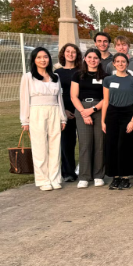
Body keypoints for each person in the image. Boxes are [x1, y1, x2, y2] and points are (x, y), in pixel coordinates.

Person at [19, 47, 67, 191]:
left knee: (55, 146)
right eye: (39, 57)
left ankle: (55, 178)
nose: (43, 60)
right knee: (40, 147)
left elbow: (59, 99)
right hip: (36, 112)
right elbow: (24, 99)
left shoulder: (55, 77)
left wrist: (62, 118)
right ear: (34, 60)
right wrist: (25, 120)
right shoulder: (28, 77)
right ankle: (43, 179)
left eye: (45, 57)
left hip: (54, 111)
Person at [101, 53, 133, 190]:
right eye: (117, 61)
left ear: (127, 64)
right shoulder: (107, 80)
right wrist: (103, 121)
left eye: (123, 61)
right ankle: (115, 177)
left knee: (124, 145)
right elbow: (105, 101)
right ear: (113, 63)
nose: (120, 64)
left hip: (127, 114)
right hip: (112, 114)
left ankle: (125, 177)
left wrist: (132, 121)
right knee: (111, 145)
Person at [70, 48, 107, 188]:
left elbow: (106, 98)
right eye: (90, 57)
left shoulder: (105, 76)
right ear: (85, 58)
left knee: (99, 144)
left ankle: (98, 175)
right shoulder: (77, 75)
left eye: (96, 58)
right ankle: (84, 176)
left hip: (99, 108)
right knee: (85, 144)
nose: (93, 60)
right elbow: (74, 96)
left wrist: (93, 110)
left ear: (100, 60)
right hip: (82, 108)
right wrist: (84, 112)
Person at [54, 43, 82, 182]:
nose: (70, 54)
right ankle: (68, 172)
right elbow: (56, 94)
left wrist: (80, 109)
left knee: (85, 142)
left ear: (77, 54)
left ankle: (86, 170)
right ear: (63, 54)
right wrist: (63, 110)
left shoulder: (82, 71)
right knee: (67, 143)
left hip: (82, 109)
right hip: (65, 109)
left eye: (73, 52)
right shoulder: (57, 73)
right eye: (68, 51)